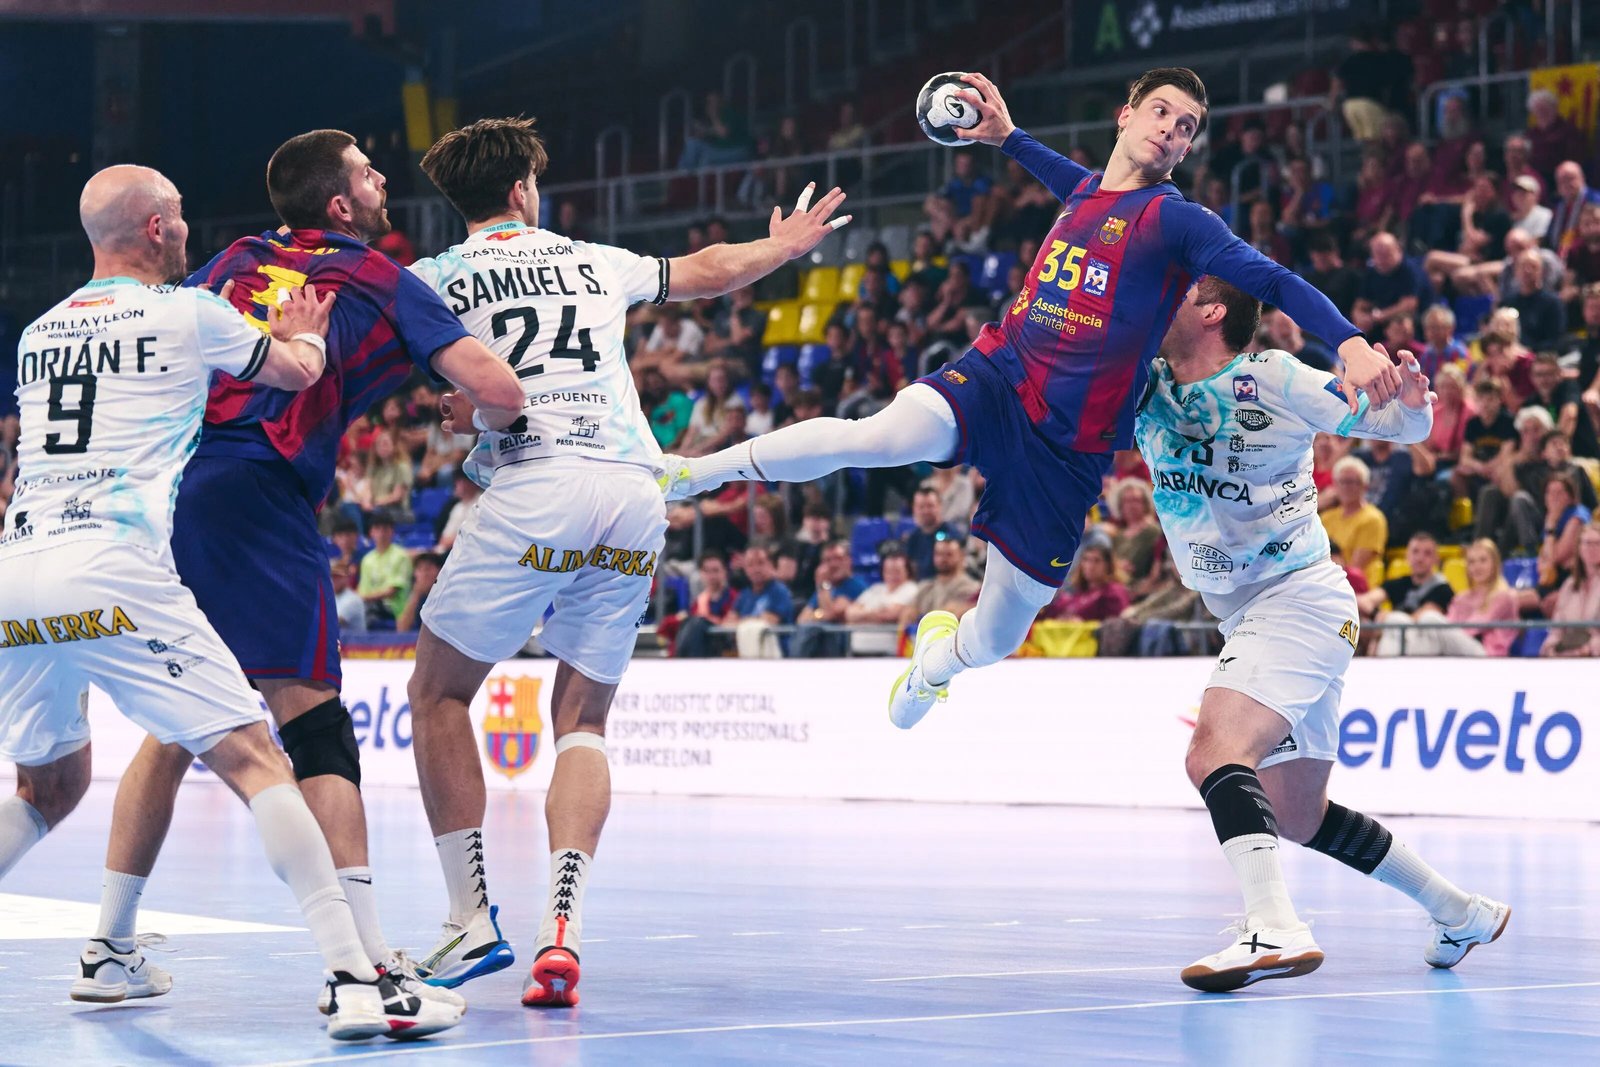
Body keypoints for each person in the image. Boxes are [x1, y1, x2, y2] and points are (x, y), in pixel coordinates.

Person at [662, 68, 1401, 728]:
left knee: (999, 634)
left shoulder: (1179, 222)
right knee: (878, 436)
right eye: (1162, 112)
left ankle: (937, 664)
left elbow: (1273, 279)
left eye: (1186, 127)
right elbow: (1069, 179)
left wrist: (1349, 341)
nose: (1172, 131)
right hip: (1001, 373)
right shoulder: (1088, 192)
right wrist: (1007, 138)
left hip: (1068, 446)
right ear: (1127, 115)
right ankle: (693, 471)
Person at [0, 165, 458, 1039]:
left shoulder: (37, 332)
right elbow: (293, 374)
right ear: (156, 227)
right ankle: (356, 978)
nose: (186, 232)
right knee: (257, 758)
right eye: (177, 217)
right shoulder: (188, 311)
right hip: (113, 561)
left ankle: (113, 951)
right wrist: (303, 333)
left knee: (47, 784)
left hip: (16, 571)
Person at [74, 130, 524, 1017]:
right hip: (261, 491)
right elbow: (501, 389)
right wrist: (474, 413)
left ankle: (109, 945)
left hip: (178, 491)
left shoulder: (234, 259)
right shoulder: (381, 277)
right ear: (342, 205)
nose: (383, 177)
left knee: (179, 724)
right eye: (368, 171)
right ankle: (365, 966)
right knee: (314, 725)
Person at [401, 117, 848, 1004]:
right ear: (524, 189)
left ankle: (469, 916)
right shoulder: (591, 259)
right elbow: (709, 270)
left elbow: (446, 370)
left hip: (537, 482)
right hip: (633, 491)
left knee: (439, 693)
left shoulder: (432, 276)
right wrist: (783, 246)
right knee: (582, 718)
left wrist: (464, 412)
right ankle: (562, 925)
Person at [1135, 276, 1508, 992]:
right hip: (1251, 614)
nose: (1160, 290)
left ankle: (1273, 924)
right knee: (1297, 815)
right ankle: (1459, 911)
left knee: (1214, 751)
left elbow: (1400, 429)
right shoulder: (1144, 384)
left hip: (1297, 600)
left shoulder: (1273, 377)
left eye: (1179, 286)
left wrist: (1412, 404)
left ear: (1212, 311)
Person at [790, 540, 867, 657]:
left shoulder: (856, 585)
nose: (833, 565)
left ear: (848, 561)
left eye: (838, 559)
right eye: (827, 560)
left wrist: (822, 585)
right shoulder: (827, 588)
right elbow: (802, 619)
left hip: (843, 649)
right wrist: (819, 614)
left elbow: (831, 615)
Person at [1446, 539, 1520, 656]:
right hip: (1458, 648)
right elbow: (1448, 626)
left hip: (1486, 653)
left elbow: (1476, 626)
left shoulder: (1504, 596)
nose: (1477, 567)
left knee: (1430, 619)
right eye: (1472, 562)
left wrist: (1448, 636)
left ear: (1494, 564)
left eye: (1483, 560)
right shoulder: (1461, 598)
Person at [1538, 519, 1600, 656]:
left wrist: (1589, 649)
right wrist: (1550, 647)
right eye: (1587, 543)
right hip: (1568, 650)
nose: (1592, 548)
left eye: (1597, 543)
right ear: (1579, 547)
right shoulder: (1569, 585)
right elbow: (1557, 627)